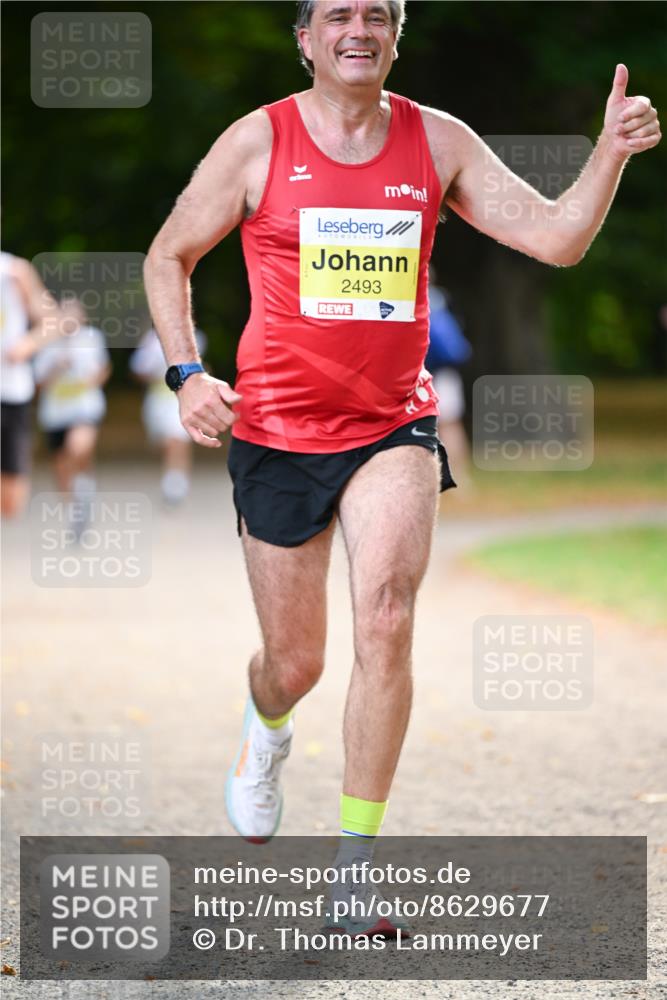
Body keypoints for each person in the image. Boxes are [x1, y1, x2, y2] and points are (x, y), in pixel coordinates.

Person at [144, 0, 660, 935]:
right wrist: (185, 373)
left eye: (376, 14)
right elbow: (168, 255)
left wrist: (608, 154)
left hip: (394, 425)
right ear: (304, 39)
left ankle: (354, 871)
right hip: (277, 431)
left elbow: (555, 238)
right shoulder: (256, 142)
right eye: (336, 14)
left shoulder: (440, 140)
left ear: (394, 35)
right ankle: (265, 732)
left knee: (385, 617)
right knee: (295, 664)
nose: (358, 27)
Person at [0, 252, 63, 517]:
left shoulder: (14, 271)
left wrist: (27, 345)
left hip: (10, 392)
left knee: (11, 502)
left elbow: (53, 322)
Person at [33, 297, 111, 509]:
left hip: (84, 407)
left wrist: (91, 382)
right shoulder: (45, 342)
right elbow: (37, 384)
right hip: (55, 413)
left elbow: (104, 369)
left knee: (78, 447)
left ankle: (84, 487)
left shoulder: (92, 339)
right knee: (60, 463)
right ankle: (73, 509)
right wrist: (56, 368)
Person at [129, 326, 207, 505]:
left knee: (178, 438)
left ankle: (175, 483)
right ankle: (173, 475)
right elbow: (138, 370)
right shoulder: (150, 340)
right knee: (164, 443)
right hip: (157, 399)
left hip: (180, 398)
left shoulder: (194, 337)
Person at [425, 275, 472, 488]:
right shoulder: (439, 299)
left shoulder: (404, 300)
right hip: (444, 372)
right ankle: (460, 479)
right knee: (451, 425)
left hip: (416, 373)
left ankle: (427, 481)